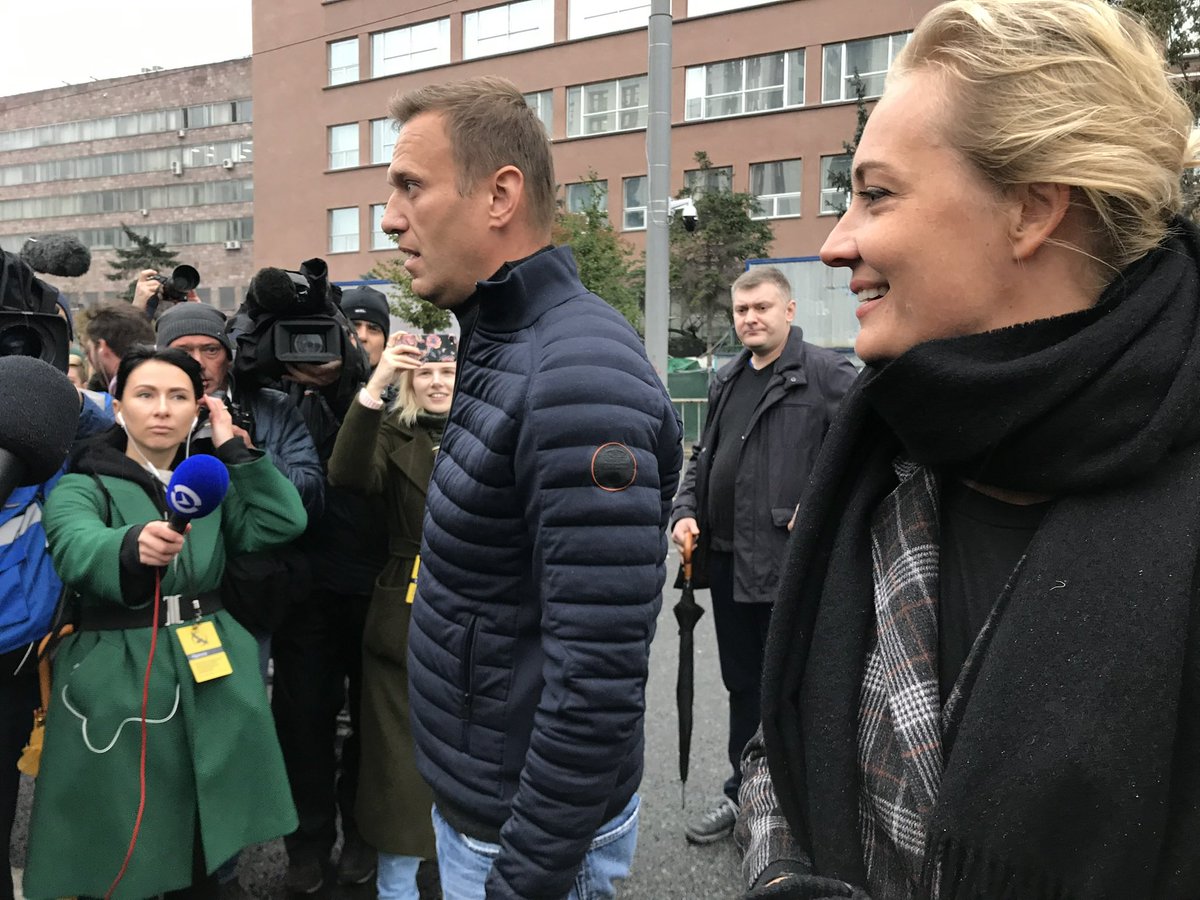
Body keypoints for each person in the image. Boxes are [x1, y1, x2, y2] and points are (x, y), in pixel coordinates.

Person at [737, 2, 1200, 898]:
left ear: (1030, 210)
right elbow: (783, 741)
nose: (835, 244)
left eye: (875, 193)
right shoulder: (888, 447)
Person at [380, 75, 683, 899]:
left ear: (499, 195)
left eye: (410, 186)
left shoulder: (574, 370)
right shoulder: (503, 338)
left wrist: (527, 877)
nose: (389, 218)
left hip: (528, 839)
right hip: (487, 805)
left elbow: (597, 679)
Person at [23, 346, 306, 898]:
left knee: (210, 813)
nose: (162, 409)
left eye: (178, 397)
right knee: (127, 820)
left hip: (213, 663)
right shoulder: (86, 483)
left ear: (198, 410)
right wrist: (128, 545)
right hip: (120, 666)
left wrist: (233, 450)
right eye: (145, 395)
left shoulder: (210, 484)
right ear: (118, 405)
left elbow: (281, 521)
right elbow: (75, 543)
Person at [670, 266, 856, 845]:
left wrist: (824, 505)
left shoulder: (827, 374)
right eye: (742, 310)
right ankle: (743, 798)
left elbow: (867, 450)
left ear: (789, 311)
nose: (750, 318)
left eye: (762, 308)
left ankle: (801, 816)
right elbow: (701, 458)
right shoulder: (727, 378)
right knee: (743, 687)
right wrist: (682, 510)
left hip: (791, 569)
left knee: (794, 692)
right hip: (726, 565)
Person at [269, 287, 391, 892]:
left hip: (372, 584)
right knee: (303, 721)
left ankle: (363, 835)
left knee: (374, 723)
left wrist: (352, 380)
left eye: (368, 331)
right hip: (304, 588)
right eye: (353, 329)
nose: (358, 340)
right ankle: (306, 843)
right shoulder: (276, 391)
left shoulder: (393, 396)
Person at [327, 332, 455, 899]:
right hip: (402, 607)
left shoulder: (493, 430)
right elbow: (347, 474)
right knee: (394, 767)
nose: (435, 382)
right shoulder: (392, 431)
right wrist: (375, 383)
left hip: (480, 606)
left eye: (448, 371)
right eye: (424, 373)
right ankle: (398, 888)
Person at [78, 300, 155, 393]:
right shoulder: (170, 380)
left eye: (88, 351)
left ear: (102, 348)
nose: (88, 359)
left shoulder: (108, 402)